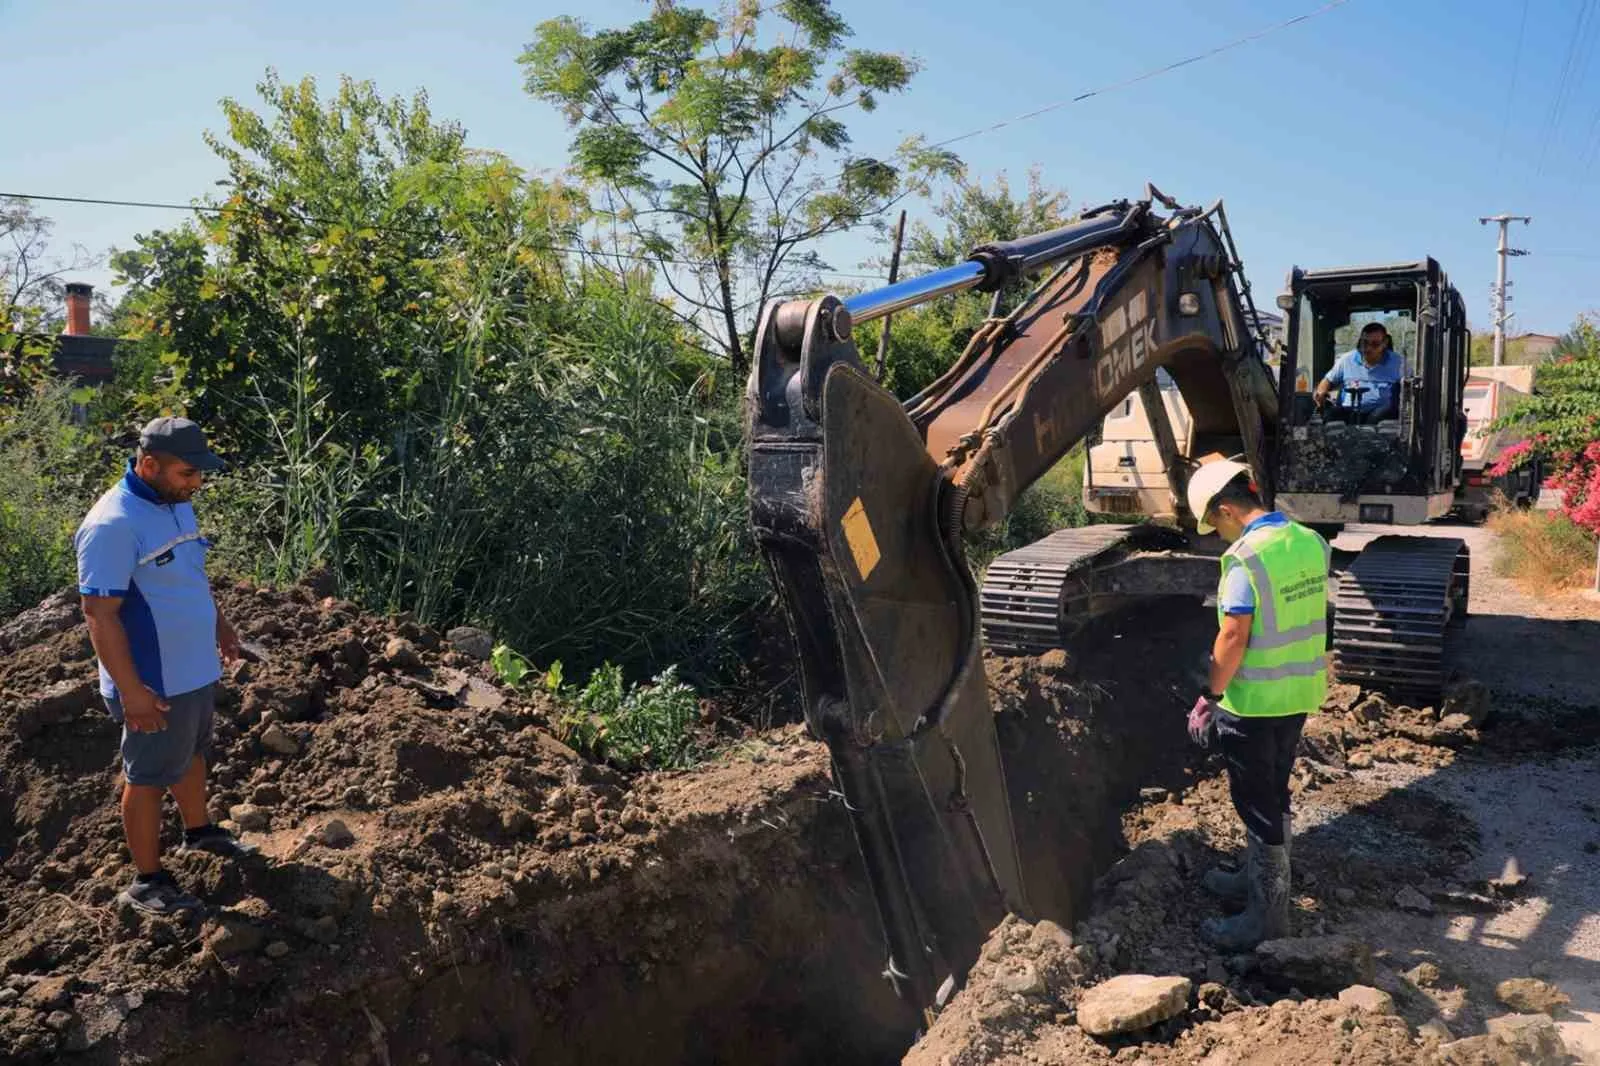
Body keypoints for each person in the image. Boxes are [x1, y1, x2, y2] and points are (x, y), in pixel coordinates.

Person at [74, 416, 257, 915]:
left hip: (192, 667)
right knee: (149, 775)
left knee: (192, 752)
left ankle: (199, 833)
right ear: (148, 464)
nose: (195, 483)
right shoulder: (112, 525)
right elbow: (100, 615)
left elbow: (191, 576)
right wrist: (132, 691)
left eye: (199, 474)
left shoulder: (175, 503)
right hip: (152, 679)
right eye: (186, 473)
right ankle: (146, 881)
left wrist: (220, 625)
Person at [1185, 459, 1330, 950]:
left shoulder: (1246, 559)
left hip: (1254, 702)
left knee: (1256, 801)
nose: (1219, 535)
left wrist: (1211, 693)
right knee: (1275, 790)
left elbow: (1233, 634)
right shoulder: (1309, 542)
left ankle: (1266, 919)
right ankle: (1255, 876)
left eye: (1216, 524)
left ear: (1227, 509)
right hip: (1297, 693)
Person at [1314, 322, 1404, 421]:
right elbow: (1327, 380)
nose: (1368, 348)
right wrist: (1321, 393)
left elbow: (1412, 385)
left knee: (1379, 416)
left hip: (1382, 416)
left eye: (1375, 344)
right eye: (1364, 343)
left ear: (1385, 343)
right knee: (1331, 416)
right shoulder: (1346, 360)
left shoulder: (1399, 363)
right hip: (1349, 412)